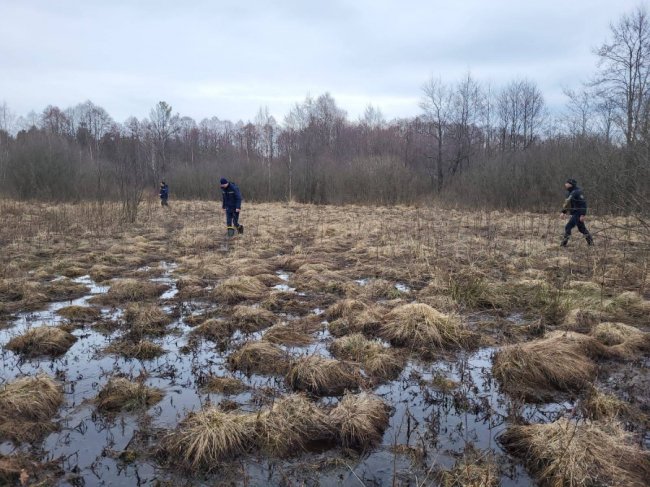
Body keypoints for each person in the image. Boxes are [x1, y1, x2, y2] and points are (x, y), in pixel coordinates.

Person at [561, 178, 593, 247]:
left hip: (578, 212)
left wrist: (582, 214)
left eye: (567, 183)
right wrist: (563, 212)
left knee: (568, 227)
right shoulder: (569, 192)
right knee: (582, 229)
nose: (565, 184)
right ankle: (591, 243)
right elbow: (567, 204)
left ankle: (563, 245)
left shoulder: (578, 192)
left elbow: (583, 204)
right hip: (575, 212)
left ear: (571, 184)